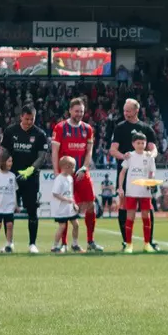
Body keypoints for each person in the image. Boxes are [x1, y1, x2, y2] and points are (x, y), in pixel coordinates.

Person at [52, 98, 101, 252]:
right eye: (76, 111)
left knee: (91, 205)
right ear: (70, 111)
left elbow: (89, 151)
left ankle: (90, 241)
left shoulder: (88, 129)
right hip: (65, 175)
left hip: (81, 173)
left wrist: (85, 168)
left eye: (82, 111)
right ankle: (65, 244)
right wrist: (56, 173)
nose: (79, 114)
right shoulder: (60, 128)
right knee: (66, 208)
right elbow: (54, 153)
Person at [0, 106, 50, 253]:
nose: (29, 122)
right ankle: (9, 243)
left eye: (32, 119)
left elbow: (42, 156)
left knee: (32, 210)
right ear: (21, 117)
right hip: (12, 177)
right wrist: (3, 168)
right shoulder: (10, 131)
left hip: (31, 178)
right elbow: (5, 152)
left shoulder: (39, 134)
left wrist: (30, 170)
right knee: (8, 211)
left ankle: (32, 244)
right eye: (26, 119)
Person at [108, 99, 158, 250]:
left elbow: (154, 149)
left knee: (147, 207)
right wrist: (126, 157)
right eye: (124, 110)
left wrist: (150, 155)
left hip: (143, 174)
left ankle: (149, 241)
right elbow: (112, 150)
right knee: (124, 205)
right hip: (126, 171)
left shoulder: (146, 128)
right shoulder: (120, 127)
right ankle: (126, 241)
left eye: (128, 111)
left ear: (136, 111)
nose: (125, 113)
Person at [118, 132, 159, 252]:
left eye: (143, 143)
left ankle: (147, 244)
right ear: (133, 144)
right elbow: (122, 172)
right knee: (130, 217)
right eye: (138, 143)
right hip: (131, 192)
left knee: (146, 217)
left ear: (146, 143)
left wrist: (151, 183)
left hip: (145, 192)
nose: (141, 145)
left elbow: (152, 172)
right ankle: (129, 245)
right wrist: (120, 187)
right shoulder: (129, 156)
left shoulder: (149, 156)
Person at [50, 157, 79, 253]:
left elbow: (71, 192)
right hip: (61, 208)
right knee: (62, 226)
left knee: (76, 224)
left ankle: (75, 244)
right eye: (73, 167)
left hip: (70, 208)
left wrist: (74, 203)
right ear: (67, 167)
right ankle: (55, 246)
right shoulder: (59, 179)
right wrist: (66, 199)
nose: (74, 169)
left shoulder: (70, 178)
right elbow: (55, 193)